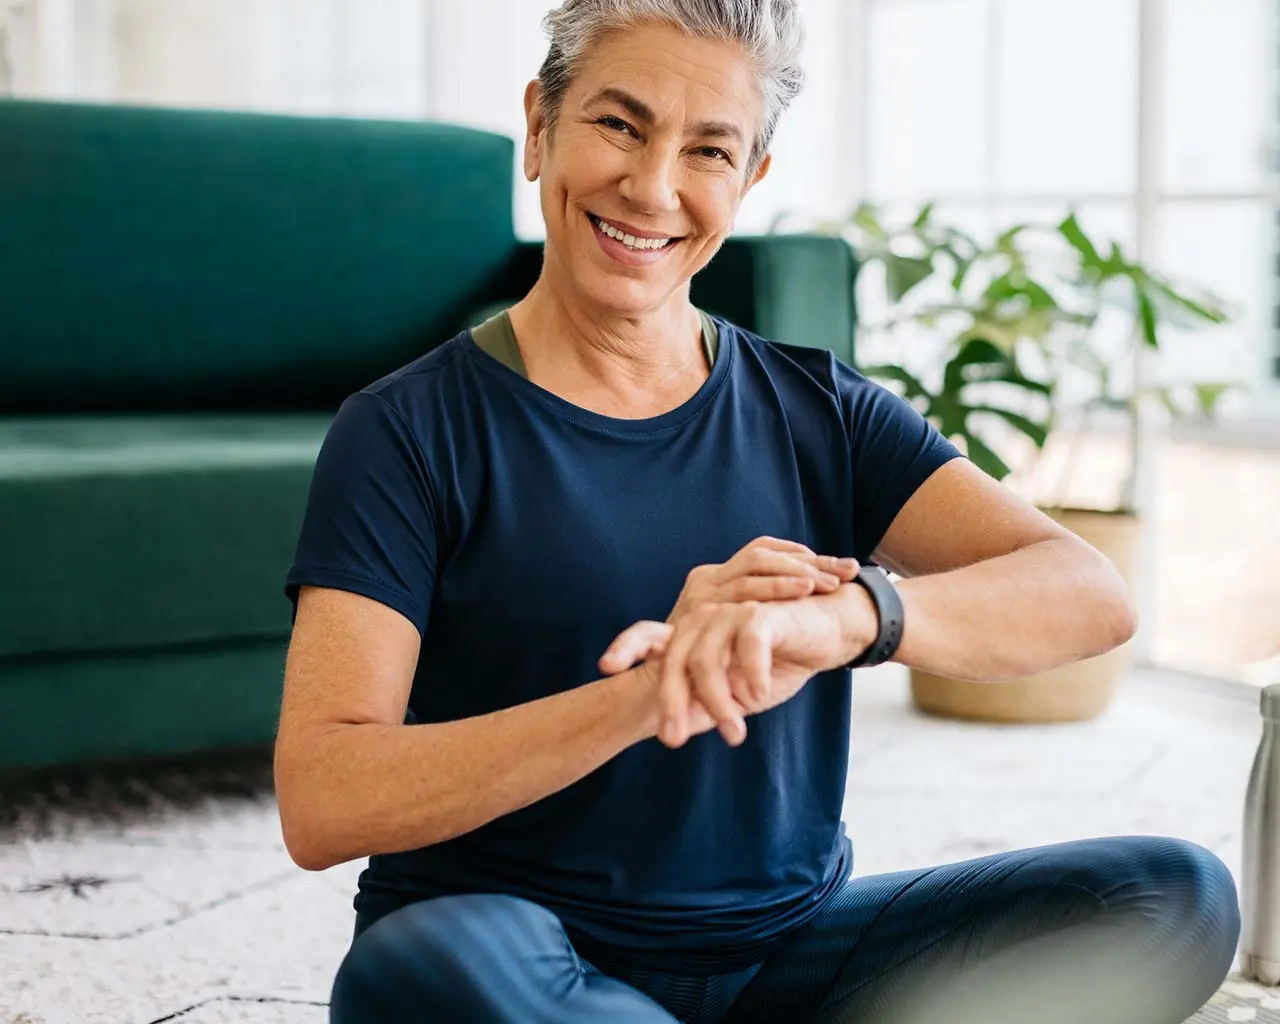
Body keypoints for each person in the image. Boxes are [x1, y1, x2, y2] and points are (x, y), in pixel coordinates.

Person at [275, 2, 1240, 1021]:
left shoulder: (814, 408)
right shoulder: (405, 430)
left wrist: (843, 618)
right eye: (617, 124)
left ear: (748, 181)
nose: (650, 188)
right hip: (518, 950)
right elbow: (326, 794)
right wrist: (652, 690)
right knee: (416, 971)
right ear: (538, 126)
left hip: (791, 963)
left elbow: (1088, 593)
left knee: (1168, 897)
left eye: (707, 149)